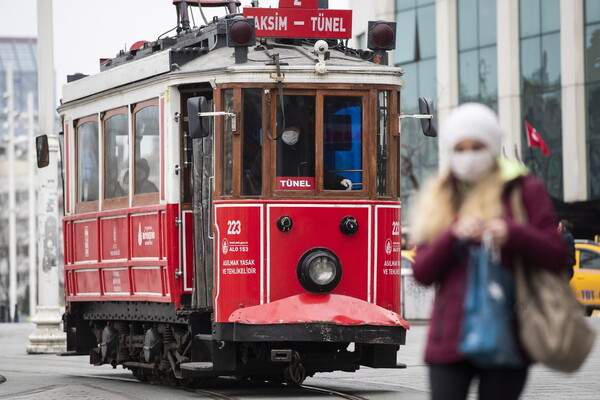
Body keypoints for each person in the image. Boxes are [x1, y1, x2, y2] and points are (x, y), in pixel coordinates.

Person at [409, 103, 567, 400]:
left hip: (509, 331)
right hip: (449, 337)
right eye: (461, 148)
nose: (469, 155)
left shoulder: (524, 190)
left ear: (492, 146)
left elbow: (557, 254)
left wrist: (511, 232)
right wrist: (453, 234)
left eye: (477, 146)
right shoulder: (441, 194)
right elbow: (422, 272)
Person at [279, 126, 352, 190]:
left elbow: (318, 174)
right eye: (289, 129)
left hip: (303, 196)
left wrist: (339, 181)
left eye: (296, 129)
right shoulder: (275, 152)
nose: (292, 132)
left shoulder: (305, 152)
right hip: (282, 196)